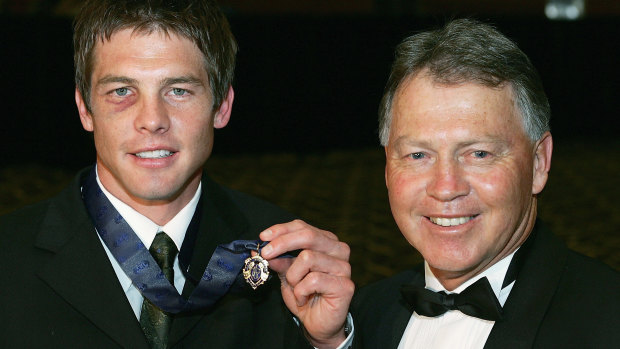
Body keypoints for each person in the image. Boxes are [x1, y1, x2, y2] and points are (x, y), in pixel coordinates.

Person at [0, 0, 354, 348]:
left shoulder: (289, 260)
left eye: (178, 91)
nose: (152, 119)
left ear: (221, 107)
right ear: (85, 109)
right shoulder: (8, 258)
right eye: (122, 91)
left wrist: (325, 343)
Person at [352, 18, 619, 348]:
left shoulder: (608, 320)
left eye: (478, 153)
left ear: (538, 163)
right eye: (418, 155)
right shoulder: (364, 313)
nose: (446, 187)